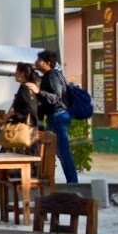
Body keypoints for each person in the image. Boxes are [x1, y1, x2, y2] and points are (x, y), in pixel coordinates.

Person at [34, 50, 77, 183]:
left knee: (62, 152)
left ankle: (73, 184)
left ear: (47, 63)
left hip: (58, 116)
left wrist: (38, 91)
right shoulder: (50, 75)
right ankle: (47, 180)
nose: (36, 62)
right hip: (55, 117)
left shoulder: (52, 75)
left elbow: (55, 97)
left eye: (39, 60)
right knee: (51, 150)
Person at [8, 61, 40, 128]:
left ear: (22, 74)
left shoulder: (25, 87)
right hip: (30, 123)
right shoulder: (31, 86)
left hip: (24, 124)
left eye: (16, 72)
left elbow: (29, 107)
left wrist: (14, 114)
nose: (15, 74)